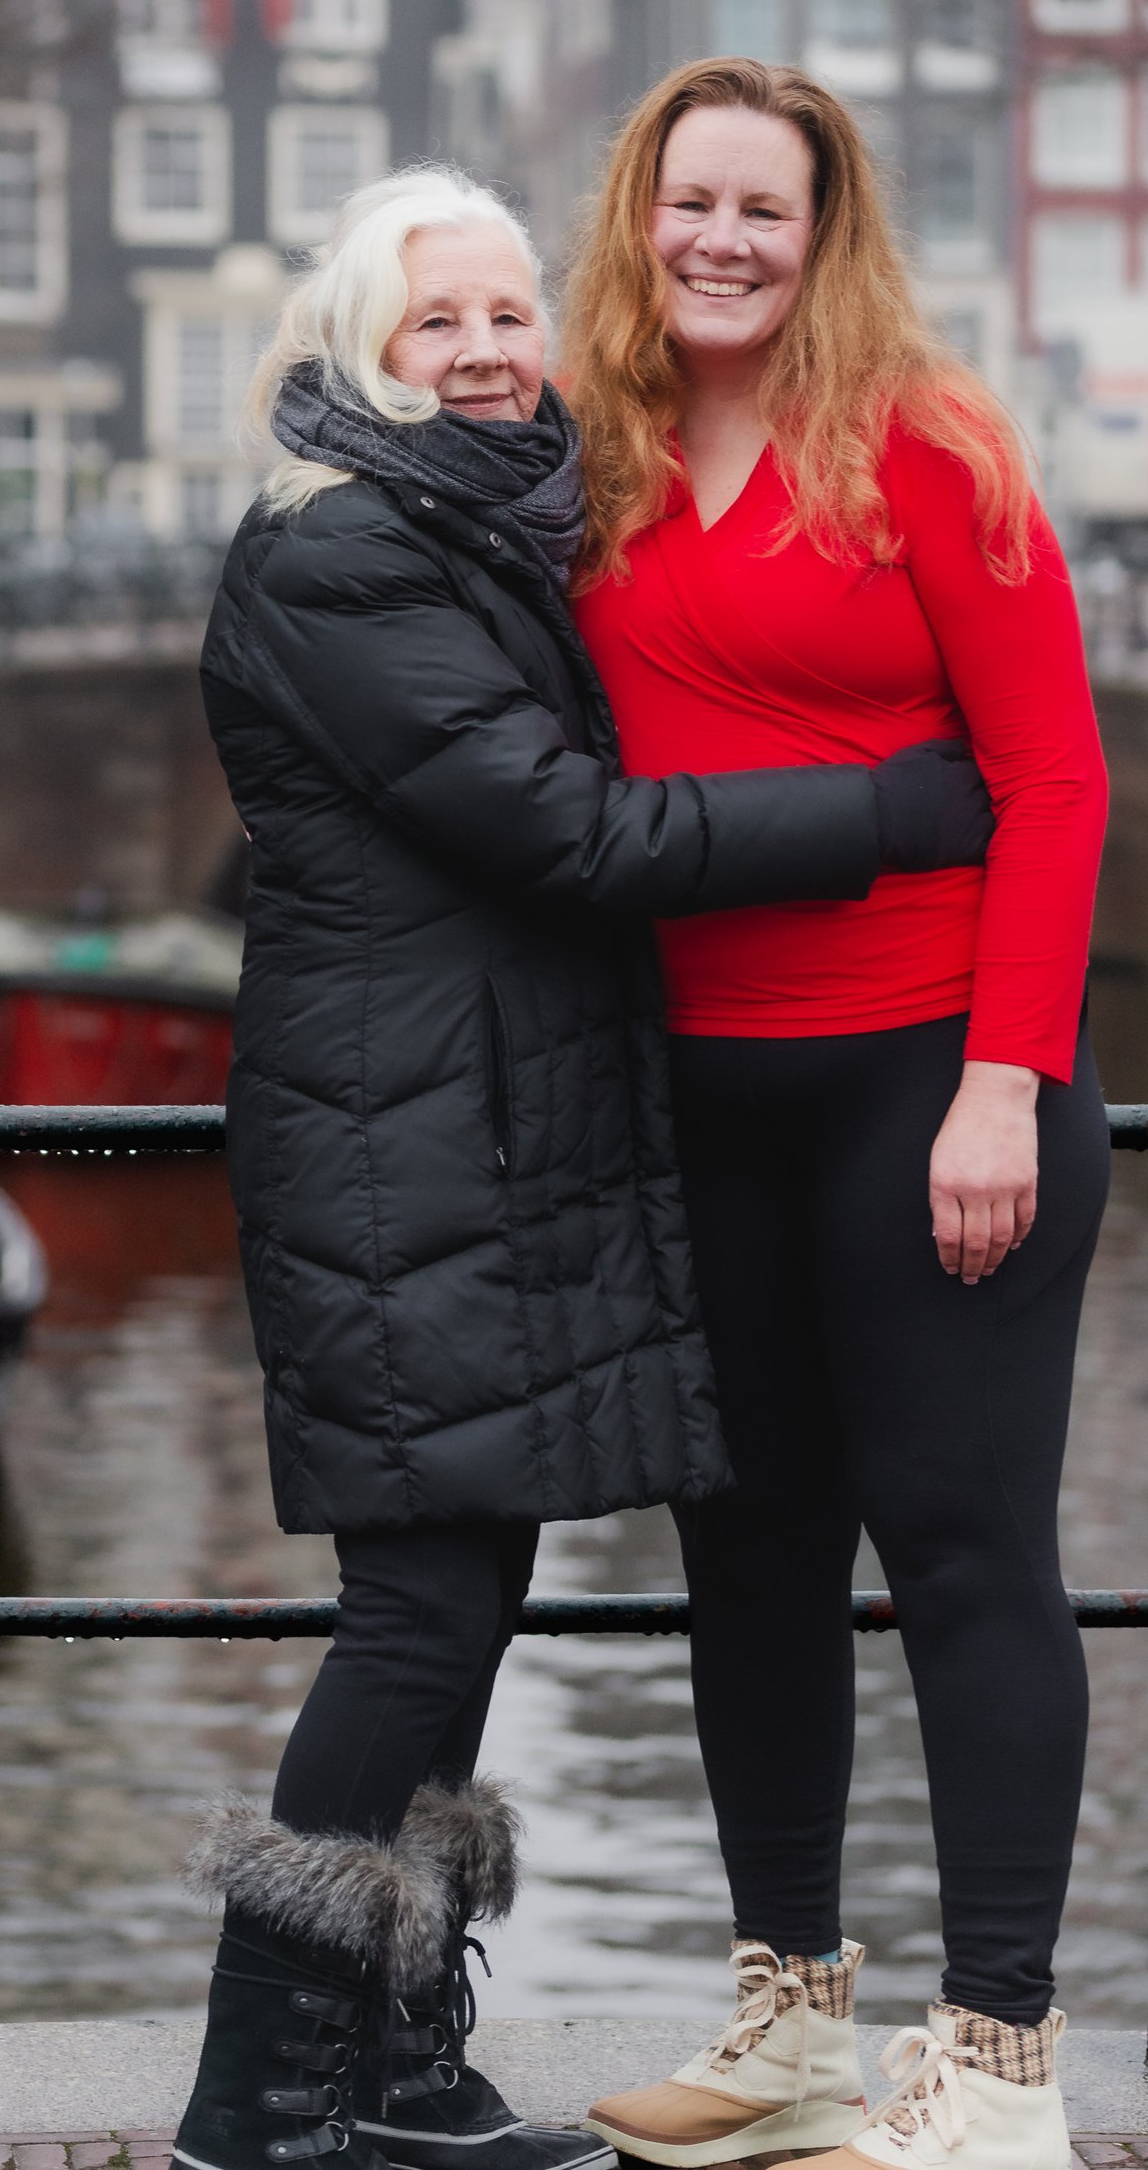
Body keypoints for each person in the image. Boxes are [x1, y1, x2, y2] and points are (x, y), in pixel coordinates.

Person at [178, 166, 999, 2170]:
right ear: (359, 349)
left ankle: (388, 2063)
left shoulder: (479, 532)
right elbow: (571, 834)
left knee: (463, 1602)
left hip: (464, 1140)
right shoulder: (343, 555)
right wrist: (893, 809)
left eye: (505, 312)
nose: (483, 351)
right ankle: (254, 2095)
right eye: (433, 321)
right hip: (397, 1152)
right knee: (417, 1609)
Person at [568, 62, 1108, 2170]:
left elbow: (1054, 779)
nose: (719, 239)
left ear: (823, 234)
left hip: (926, 1081)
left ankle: (999, 2067)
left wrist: (1007, 1080)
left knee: (967, 1559)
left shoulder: (925, 441)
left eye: (761, 210)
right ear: (639, 215)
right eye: (687, 200)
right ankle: (791, 2030)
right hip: (699, 1099)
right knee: (751, 1564)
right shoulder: (592, 452)